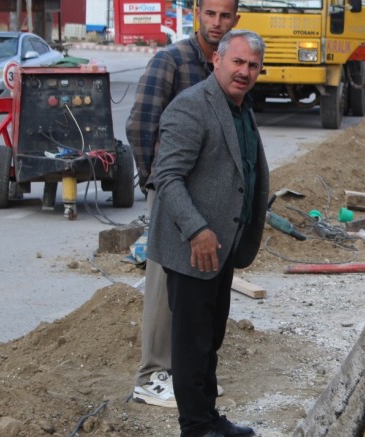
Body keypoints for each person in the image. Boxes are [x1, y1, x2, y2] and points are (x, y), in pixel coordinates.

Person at [148, 29, 269, 437]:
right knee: (191, 344)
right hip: (193, 248)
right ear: (216, 61)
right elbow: (167, 177)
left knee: (211, 339)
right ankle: (195, 427)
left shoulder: (241, 108)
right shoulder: (191, 107)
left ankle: (209, 418)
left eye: (252, 66)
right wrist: (196, 228)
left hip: (223, 247)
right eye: (237, 62)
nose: (244, 71)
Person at [126, 0, 241, 409]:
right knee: (162, 286)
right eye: (210, 14)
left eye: (225, 16)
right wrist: (154, 185)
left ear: (236, 19)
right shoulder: (171, 61)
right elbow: (140, 123)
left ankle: (188, 376)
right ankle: (152, 375)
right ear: (197, 14)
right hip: (173, 194)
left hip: (207, 200)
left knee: (196, 290)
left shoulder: (230, 65)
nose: (217, 22)